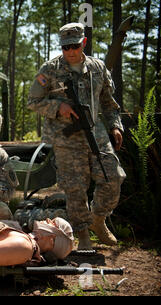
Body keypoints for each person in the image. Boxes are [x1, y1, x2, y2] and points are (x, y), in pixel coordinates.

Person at [27, 23, 126, 250]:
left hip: (95, 133)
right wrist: (57, 108)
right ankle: (82, 233)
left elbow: (109, 104)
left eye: (74, 46)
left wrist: (115, 127)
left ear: (83, 43)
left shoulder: (98, 68)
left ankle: (98, 220)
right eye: (65, 47)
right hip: (65, 137)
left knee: (113, 177)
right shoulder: (49, 70)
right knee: (75, 187)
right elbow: (33, 102)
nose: (69, 51)